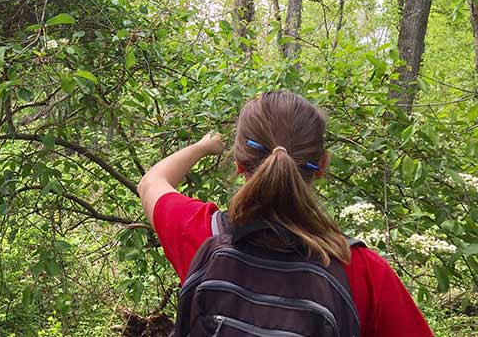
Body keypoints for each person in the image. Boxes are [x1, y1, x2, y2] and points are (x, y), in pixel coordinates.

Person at [137, 91, 433, 337]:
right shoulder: (360, 269)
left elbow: (151, 182)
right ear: (323, 165)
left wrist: (203, 147)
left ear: (239, 163)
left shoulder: (204, 235)